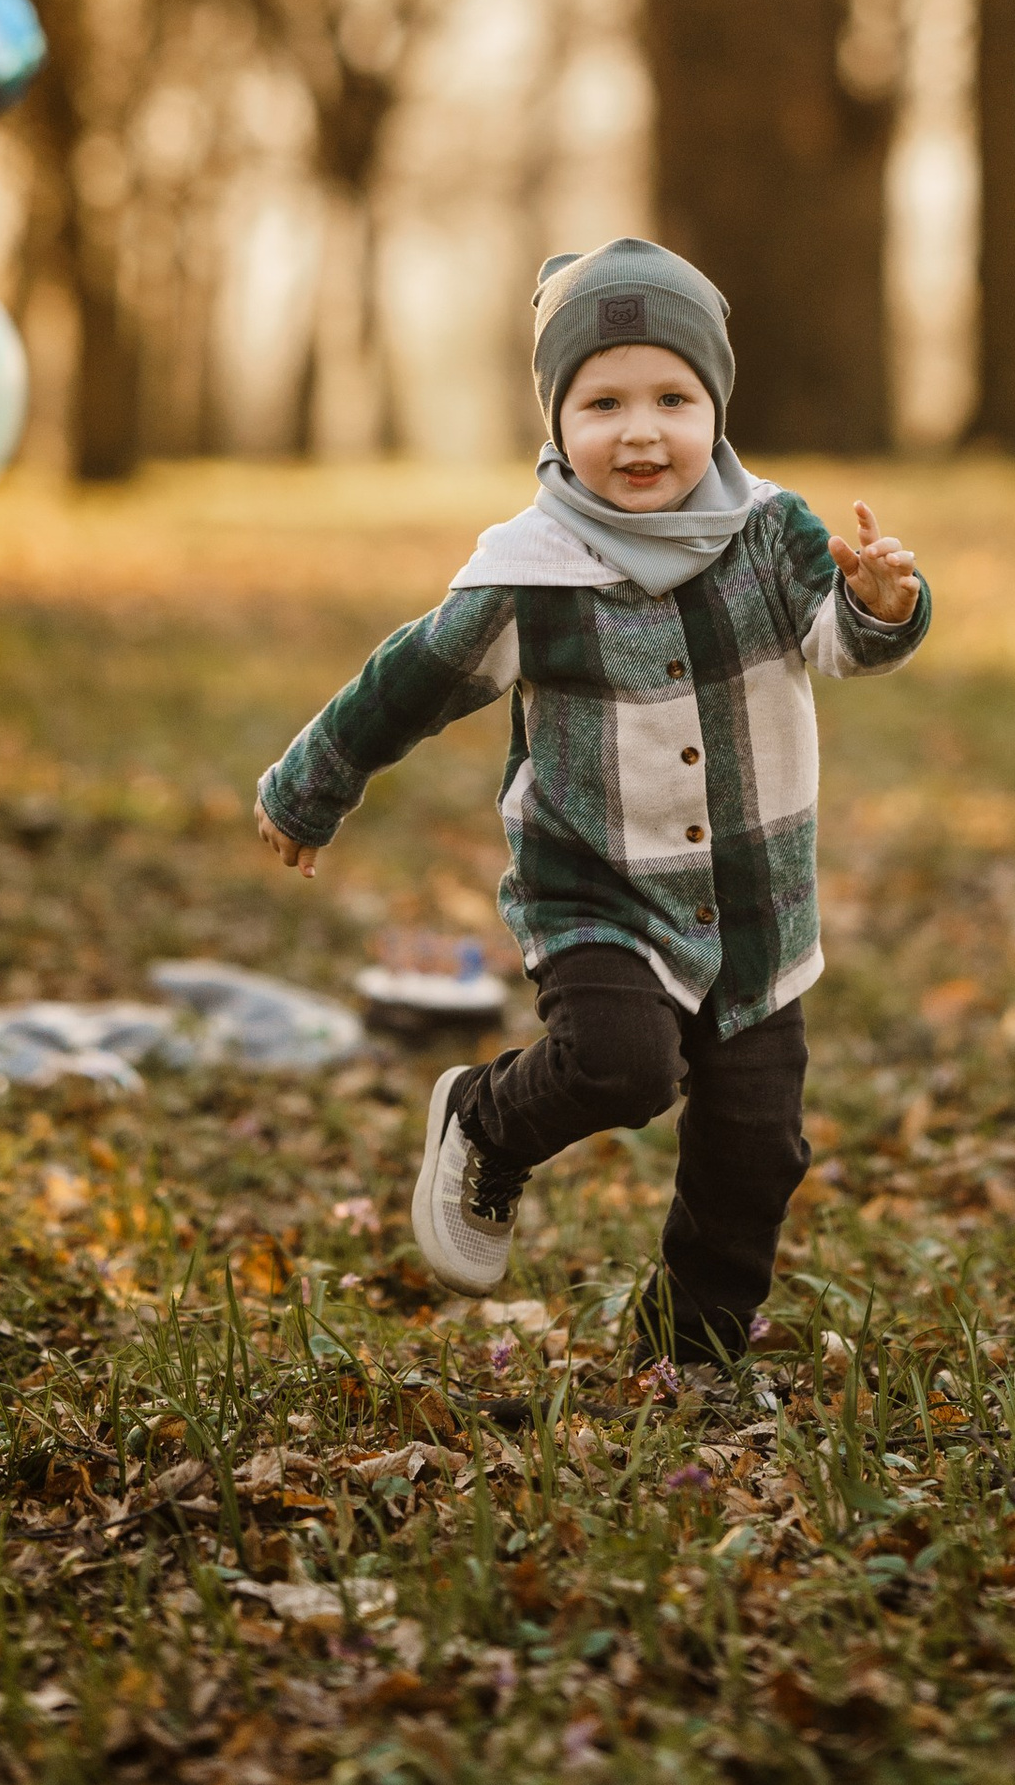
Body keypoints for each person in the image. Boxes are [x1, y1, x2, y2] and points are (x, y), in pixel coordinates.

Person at [252, 236, 930, 1371]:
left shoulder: (771, 531)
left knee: (757, 1147)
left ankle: (691, 1353)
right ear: (556, 420)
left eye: (672, 396)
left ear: (713, 403)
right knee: (621, 1065)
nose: (640, 430)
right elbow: (412, 677)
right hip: (598, 892)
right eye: (602, 400)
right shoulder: (533, 568)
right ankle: (484, 1119)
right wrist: (309, 789)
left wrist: (879, 605)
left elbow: (837, 641)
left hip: (757, 906)